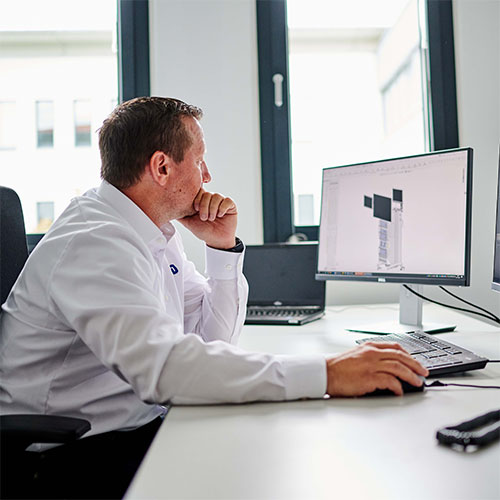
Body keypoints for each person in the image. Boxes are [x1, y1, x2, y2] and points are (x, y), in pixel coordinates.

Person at [0, 97, 428, 498]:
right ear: (162, 167)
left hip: (133, 428)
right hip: (64, 456)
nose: (208, 176)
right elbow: (167, 372)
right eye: (200, 160)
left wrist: (222, 251)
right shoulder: (95, 243)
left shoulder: (150, 230)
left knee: (278, 445)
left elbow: (210, 346)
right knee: (274, 470)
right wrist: (328, 374)